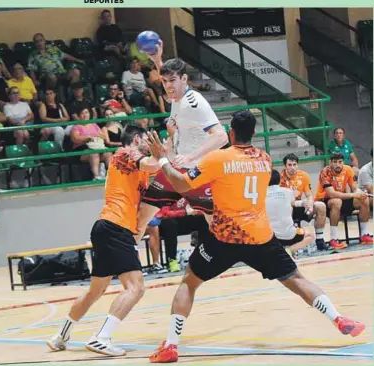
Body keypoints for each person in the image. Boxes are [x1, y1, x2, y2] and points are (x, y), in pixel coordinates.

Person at [144, 110, 365, 363]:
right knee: (296, 278)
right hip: (260, 237)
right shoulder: (265, 158)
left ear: (230, 133)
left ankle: (171, 345)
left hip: (223, 238)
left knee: (189, 282)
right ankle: (337, 317)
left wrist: (162, 159)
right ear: (254, 134)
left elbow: (181, 184)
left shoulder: (218, 158)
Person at [46, 125, 160, 357]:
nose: (149, 146)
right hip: (115, 227)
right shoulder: (124, 153)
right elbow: (154, 163)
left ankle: (60, 336)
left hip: (108, 228)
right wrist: (162, 154)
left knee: (95, 291)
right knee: (135, 288)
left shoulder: (141, 172)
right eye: (147, 141)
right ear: (137, 138)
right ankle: (102, 338)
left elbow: (155, 179)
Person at [134, 39, 229, 247]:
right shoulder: (177, 96)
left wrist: (191, 156)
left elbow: (222, 137)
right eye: (165, 81)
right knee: (143, 213)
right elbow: (170, 92)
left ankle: (236, 253)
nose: (168, 86)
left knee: (215, 224)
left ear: (184, 79)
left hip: (198, 171)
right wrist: (158, 60)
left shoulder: (194, 104)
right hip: (177, 167)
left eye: (172, 81)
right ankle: (124, 261)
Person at [314, 152, 372, 248]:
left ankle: (364, 235)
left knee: (363, 199)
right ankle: (334, 239)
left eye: (340, 162)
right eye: (335, 162)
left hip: (342, 198)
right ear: (330, 162)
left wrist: (360, 193)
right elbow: (332, 194)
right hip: (325, 201)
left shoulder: (348, 169)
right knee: (337, 201)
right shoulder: (325, 172)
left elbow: (354, 188)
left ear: (343, 162)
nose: (338, 165)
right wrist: (354, 194)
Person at [279, 153, 327, 250]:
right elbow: (282, 201)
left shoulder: (304, 175)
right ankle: (292, 243)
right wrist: (299, 201)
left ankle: (320, 240)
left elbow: (309, 195)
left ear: (297, 165)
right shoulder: (280, 178)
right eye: (289, 165)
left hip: (301, 206)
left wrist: (309, 203)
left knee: (320, 205)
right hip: (287, 209)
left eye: (294, 164)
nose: (292, 167)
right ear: (285, 166)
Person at [267, 170, 315, 258]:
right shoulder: (288, 192)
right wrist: (303, 203)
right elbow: (292, 203)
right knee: (311, 235)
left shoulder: (261, 195)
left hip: (271, 237)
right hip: (289, 234)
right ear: (279, 180)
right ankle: (289, 250)